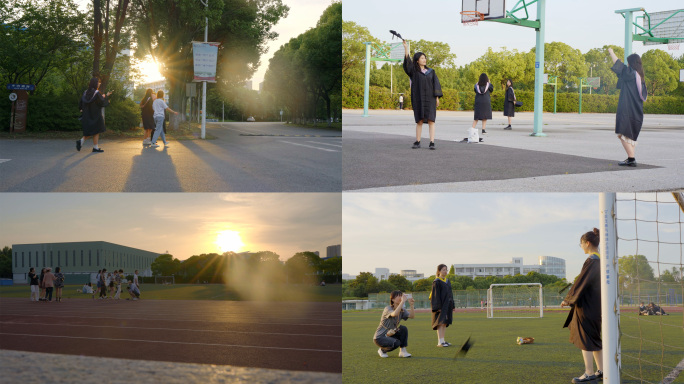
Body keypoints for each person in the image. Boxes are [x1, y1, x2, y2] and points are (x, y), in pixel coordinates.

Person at [561, 228, 603, 383]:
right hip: (596, 306)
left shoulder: (592, 260)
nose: (582, 248)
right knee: (595, 339)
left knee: (586, 339)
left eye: (581, 245)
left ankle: (589, 373)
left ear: (587, 243)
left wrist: (568, 299)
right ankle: (602, 370)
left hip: (587, 307)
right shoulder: (601, 259)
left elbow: (581, 283)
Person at [608, 48, 647, 167]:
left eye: (628, 62)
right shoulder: (640, 77)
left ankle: (631, 158)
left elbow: (618, 65)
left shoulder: (630, 74)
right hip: (636, 111)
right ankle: (631, 158)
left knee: (623, 134)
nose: (627, 64)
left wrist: (611, 52)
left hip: (627, 110)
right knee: (629, 136)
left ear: (631, 63)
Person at [402, 39, 442, 150]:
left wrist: (437, 98)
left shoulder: (431, 72)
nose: (424, 60)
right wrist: (406, 48)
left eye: (425, 58)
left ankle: (432, 142)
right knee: (419, 120)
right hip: (418, 98)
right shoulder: (414, 72)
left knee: (431, 120)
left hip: (430, 98)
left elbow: (436, 85)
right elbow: (407, 63)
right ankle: (418, 141)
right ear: (417, 60)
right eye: (422, 58)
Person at [373, 290, 415, 358]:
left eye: (401, 295)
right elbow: (394, 314)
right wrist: (402, 301)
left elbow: (412, 316)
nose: (401, 297)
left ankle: (403, 351)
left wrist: (411, 305)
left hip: (390, 334)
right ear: (392, 299)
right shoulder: (388, 308)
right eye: (398, 296)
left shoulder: (402, 309)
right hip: (380, 337)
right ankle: (382, 350)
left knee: (403, 329)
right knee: (396, 343)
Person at [76, 77, 112, 153]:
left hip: (87, 114)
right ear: (95, 83)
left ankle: (91, 145)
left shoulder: (85, 92)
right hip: (95, 114)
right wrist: (107, 99)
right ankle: (86, 143)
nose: (99, 84)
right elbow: (101, 102)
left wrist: (81, 108)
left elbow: (81, 102)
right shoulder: (96, 92)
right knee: (96, 129)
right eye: (98, 82)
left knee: (92, 130)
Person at [430, 264, 455, 347]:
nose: (445, 271)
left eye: (446, 270)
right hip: (441, 306)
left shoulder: (447, 281)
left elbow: (450, 294)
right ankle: (439, 342)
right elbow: (435, 295)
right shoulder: (436, 281)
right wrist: (438, 307)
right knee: (440, 323)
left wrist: (453, 305)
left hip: (448, 305)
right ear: (439, 271)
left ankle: (443, 340)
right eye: (443, 270)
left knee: (444, 323)